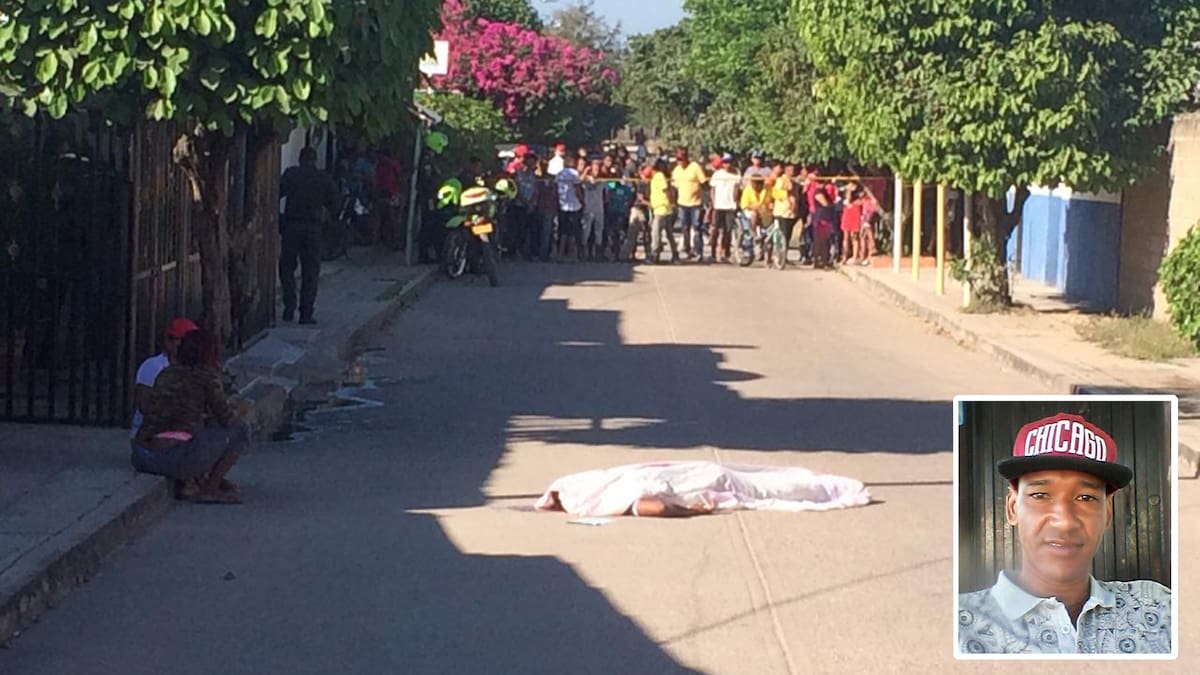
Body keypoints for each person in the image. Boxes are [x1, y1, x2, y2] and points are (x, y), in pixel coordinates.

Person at [958, 413, 1171, 655]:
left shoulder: (1158, 606)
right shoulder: (961, 625)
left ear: (1107, 513)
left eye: (1085, 498)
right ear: (1013, 507)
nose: (1065, 522)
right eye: (1040, 495)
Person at [132, 329, 252, 504]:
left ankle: (193, 482)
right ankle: (210, 488)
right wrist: (243, 408)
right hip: (174, 458)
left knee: (194, 428)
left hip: (143, 454)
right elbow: (226, 417)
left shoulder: (167, 373)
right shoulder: (206, 377)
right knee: (240, 429)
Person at [535, 460, 871, 518]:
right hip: (704, 471)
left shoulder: (612, 499)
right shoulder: (609, 478)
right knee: (772, 482)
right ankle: (830, 484)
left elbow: (656, 508)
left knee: (775, 492)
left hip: (710, 483)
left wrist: (690, 511)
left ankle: (839, 489)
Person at [279, 146, 338, 324]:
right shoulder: (323, 178)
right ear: (315, 160)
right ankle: (306, 313)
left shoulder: (291, 174)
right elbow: (335, 204)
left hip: (292, 226)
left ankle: (289, 307)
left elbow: (276, 193)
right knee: (310, 272)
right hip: (313, 228)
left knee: (286, 268)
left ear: (300, 159)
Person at [131, 318, 198, 441]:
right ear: (169, 342)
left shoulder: (197, 368)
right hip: (153, 435)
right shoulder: (153, 366)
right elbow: (144, 406)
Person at [670, 147, 707, 261]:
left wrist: (705, 200)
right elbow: (674, 188)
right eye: (678, 159)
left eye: (682, 159)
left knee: (697, 228)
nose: (680, 161)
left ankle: (698, 252)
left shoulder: (695, 167)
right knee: (685, 228)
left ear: (686, 157)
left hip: (696, 203)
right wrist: (673, 202)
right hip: (682, 203)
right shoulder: (676, 170)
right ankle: (687, 250)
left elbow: (703, 182)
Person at [708, 155, 741, 263]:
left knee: (728, 231)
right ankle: (713, 252)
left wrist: (736, 202)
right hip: (718, 206)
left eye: (730, 162)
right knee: (715, 230)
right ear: (722, 164)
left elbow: (737, 189)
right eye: (726, 162)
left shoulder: (736, 174)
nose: (728, 164)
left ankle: (725, 252)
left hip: (730, 206)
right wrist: (713, 203)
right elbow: (712, 189)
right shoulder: (717, 174)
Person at [620, 164, 654, 262]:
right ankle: (625, 255)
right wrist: (652, 204)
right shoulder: (640, 183)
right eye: (647, 170)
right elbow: (640, 198)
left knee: (647, 234)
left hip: (646, 210)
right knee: (632, 235)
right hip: (637, 210)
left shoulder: (651, 182)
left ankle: (649, 255)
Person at [648, 159, 679, 264]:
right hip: (663, 208)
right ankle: (675, 254)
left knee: (656, 233)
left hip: (661, 209)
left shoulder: (659, 176)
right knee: (669, 234)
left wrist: (672, 202)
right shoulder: (658, 177)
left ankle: (654, 256)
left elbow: (666, 190)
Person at [556, 155, 584, 263]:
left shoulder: (559, 174)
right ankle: (572, 255)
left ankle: (560, 254)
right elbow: (577, 189)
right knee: (573, 231)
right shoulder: (574, 174)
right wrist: (582, 200)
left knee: (563, 231)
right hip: (574, 205)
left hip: (562, 204)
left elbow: (556, 188)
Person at [739, 175, 771, 266]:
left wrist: (771, 205)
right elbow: (744, 205)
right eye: (755, 183)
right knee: (753, 217)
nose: (757, 185)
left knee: (767, 231)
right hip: (750, 211)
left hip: (763, 211)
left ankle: (768, 254)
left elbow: (771, 200)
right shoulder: (748, 190)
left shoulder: (767, 189)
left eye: (760, 183)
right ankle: (753, 235)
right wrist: (754, 208)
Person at [580, 157, 607, 261]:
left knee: (599, 231)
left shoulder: (602, 180)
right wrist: (586, 171)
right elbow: (579, 180)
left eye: (598, 169)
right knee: (586, 231)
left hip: (599, 209)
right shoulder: (586, 180)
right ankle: (583, 253)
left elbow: (609, 188)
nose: (596, 171)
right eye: (594, 168)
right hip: (588, 208)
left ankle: (598, 254)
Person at [534, 158, 559, 261]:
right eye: (541, 165)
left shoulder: (552, 178)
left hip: (550, 207)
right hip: (538, 207)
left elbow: (555, 193)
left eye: (545, 165)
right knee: (538, 231)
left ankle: (544, 254)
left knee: (547, 231)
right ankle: (536, 252)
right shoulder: (537, 179)